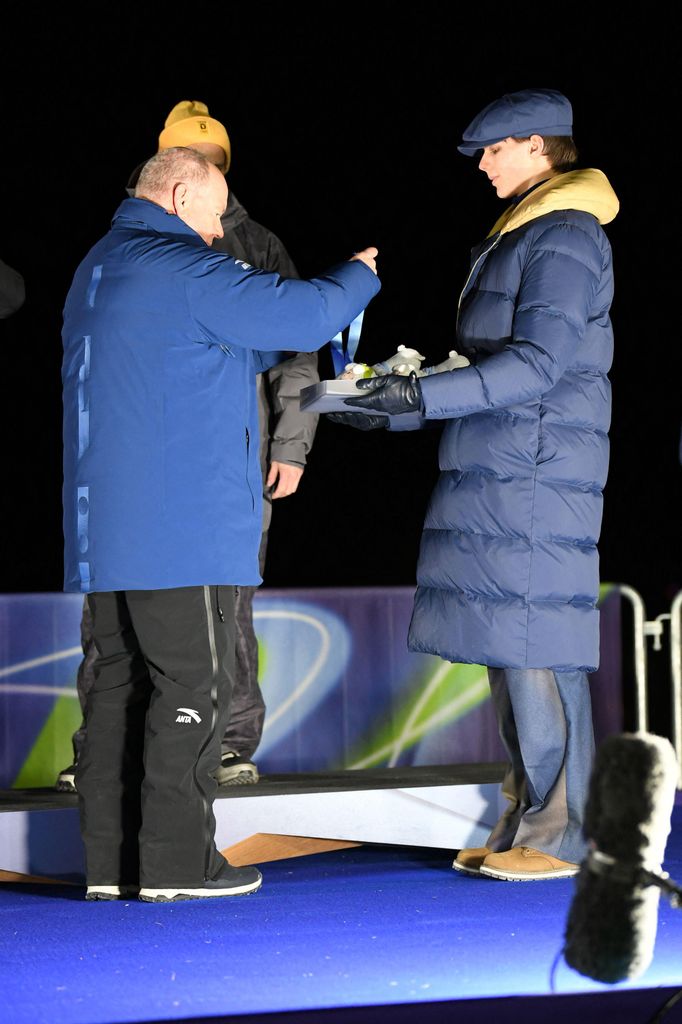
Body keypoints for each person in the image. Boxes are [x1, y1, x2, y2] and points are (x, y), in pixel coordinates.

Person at [61, 146, 379, 901]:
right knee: (191, 688)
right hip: (181, 529)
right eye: (212, 214)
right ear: (177, 197)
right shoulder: (181, 267)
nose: (217, 231)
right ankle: (178, 865)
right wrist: (358, 274)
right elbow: (306, 311)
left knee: (115, 690)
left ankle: (109, 867)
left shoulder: (100, 267)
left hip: (108, 530)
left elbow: (230, 342)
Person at [334, 88, 619, 881]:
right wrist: (390, 405)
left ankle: (560, 839)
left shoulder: (564, 234)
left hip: (536, 472)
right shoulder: (525, 233)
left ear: (537, 146)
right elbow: (486, 365)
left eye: (495, 151)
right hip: (505, 464)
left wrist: (421, 398)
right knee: (510, 646)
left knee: (537, 648)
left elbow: (537, 365)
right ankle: (527, 827)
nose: (484, 166)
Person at [57, 100, 320, 793]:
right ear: (169, 170)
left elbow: (299, 346)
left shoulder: (256, 244)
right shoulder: (131, 246)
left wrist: (291, 446)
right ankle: (104, 747)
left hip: (228, 465)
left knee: (225, 605)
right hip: (144, 467)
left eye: (218, 161)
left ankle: (228, 743)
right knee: (112, 611)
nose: (209, 172)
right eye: (194, 159)